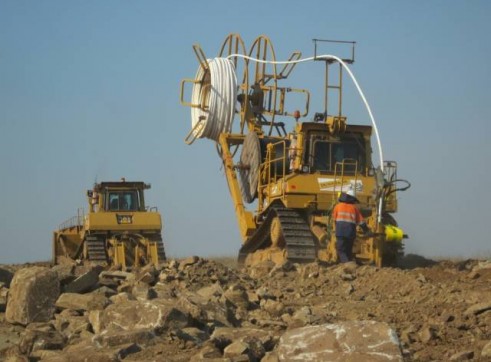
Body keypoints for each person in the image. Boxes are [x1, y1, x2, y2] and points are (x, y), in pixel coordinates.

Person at [332, 189, 370, 263]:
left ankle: (347, 264)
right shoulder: (354, 208)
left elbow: (334, 220)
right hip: (350, 233)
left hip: (340, 232)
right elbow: (361, 222)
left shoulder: (337, 207)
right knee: (348, 250)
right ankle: (349, 263)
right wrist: (367, 231)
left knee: (341, 250)